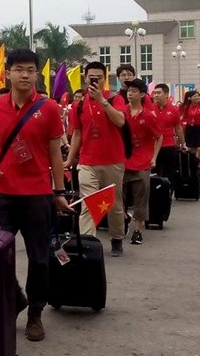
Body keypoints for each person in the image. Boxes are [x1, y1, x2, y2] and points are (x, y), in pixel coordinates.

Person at [0, 49, 69, 342]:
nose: (25, 75)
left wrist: (59, 191)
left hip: (37, 194)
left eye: (30, 70)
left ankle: (35, 313)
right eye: (19, 69)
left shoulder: (49, 108)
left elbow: (55, 153)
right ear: (8, 73)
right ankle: (16, 297)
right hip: (1, 193)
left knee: (39, 258)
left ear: (37, 74)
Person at [65, 61, 127, 257]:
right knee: (89, 203)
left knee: (114, 204)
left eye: (99, 78)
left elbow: (120, 121)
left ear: (104, 79)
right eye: (92, 77)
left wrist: (102, 100)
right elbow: (77, 134)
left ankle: (116, 238)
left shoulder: (115, 99)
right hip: (87, 162)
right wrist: (70, 159)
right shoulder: (78, 105)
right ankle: (87, 243)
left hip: (113, 161)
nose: (95, 81)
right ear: (85, 78)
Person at [122, 79, 162, 245]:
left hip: (142, 162)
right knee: (119, 196)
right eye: (128, 90)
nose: (130, 93)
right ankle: (123, 218)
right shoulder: (121, 112)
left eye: (134, 91)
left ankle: (137, 230)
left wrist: (154, 157)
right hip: (123, 160)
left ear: (142, 94)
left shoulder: (148, 115)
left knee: (141, 197)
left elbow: (158, 136)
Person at [152, 83, 186, 190]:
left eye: (158, 93)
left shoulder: (173, 109)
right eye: (155, 93)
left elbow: (178, 128)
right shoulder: (150, 108)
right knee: (154, 172)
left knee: (169, 172)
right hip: (153, 146)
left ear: (166, 94)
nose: (156, 95)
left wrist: (183, 143)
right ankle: (156, 193)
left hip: (169, 145)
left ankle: (168, 193)